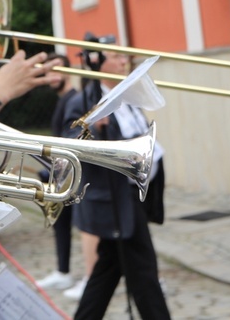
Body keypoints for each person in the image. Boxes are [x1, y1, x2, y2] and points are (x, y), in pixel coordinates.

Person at [62, 37, 171, 320]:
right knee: (144, 272)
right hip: (112, 200)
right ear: (97, 62)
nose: (124, 62)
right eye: (116, 57)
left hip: (131, 198)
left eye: (124, 57)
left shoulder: (129, 98)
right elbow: (66, 143)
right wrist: (93, 129)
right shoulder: (83, 101)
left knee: (109, 269)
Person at [36, 54, 99, 293]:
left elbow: (72, 140)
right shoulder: (63, 100)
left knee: (85, 227)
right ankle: (63, 271)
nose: (52, 76)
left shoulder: (74, 99)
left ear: (67, 72)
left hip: (74, 176)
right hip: (62, 174)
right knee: (61, 224)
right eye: (48, 72)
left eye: (57, 71)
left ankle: (88, 278)